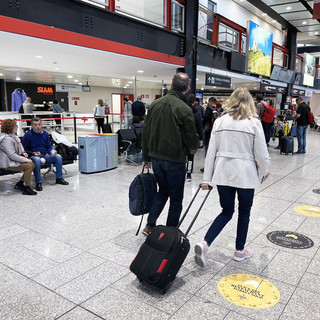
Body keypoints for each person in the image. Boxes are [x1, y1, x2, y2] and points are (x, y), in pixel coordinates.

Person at [194, 88, 269, 266]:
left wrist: (206, 179)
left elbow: (211, 152)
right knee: (244, 212)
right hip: (245, 175)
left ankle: (205, 243)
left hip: (223, 173)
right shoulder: (253, 123)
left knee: (226, 211)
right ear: (250, 103)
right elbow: (261, 153)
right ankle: (239, 250)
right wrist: (265, 170)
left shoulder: (220, 122)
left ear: (231, 101)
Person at [141, 72, 198, 236]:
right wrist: (193, 147)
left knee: (162, 191)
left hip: (156, 158)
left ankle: (150, 226)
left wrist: (146, 157)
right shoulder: (184, 108)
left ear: (171, 85)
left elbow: (146, 132)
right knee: (176, 197)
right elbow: (190, 136)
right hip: (175, 160)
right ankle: (168, 232)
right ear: (186, 90)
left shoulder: (154, 105)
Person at [22, 117, 69, 191]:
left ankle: (59, 178)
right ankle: (38, 182)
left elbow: (49, 147)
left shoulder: (45, 134)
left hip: (45, 154)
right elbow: (24, 149)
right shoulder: (28, 135)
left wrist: (52, 152)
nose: (38, 126)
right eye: (35, 125)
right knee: (37, 160)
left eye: (39, 124)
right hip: (33, 156)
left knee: (58, 157)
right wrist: (32, 153)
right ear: (32, 126)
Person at [0, 119, 37, 195]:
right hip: (7, 163)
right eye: (15, 126)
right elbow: (12, 155)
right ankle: (26, 188)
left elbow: (20, 146)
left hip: (12, 160)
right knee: (28, 166)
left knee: (32, 165)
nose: (17, 127)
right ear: (10, 128)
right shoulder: (6, 139)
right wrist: (26, 160)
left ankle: (20, 184)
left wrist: (23, 152)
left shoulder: (13, 136)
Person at [186, 94, 203, 182]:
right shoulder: (196, 112)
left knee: (182, 156)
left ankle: (182, 171)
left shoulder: (183, 110)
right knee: (190, 156)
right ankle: (188, 173)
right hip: (192, 137)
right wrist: (201, 139)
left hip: (182, 136)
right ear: (194, 102)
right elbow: (200, 126)